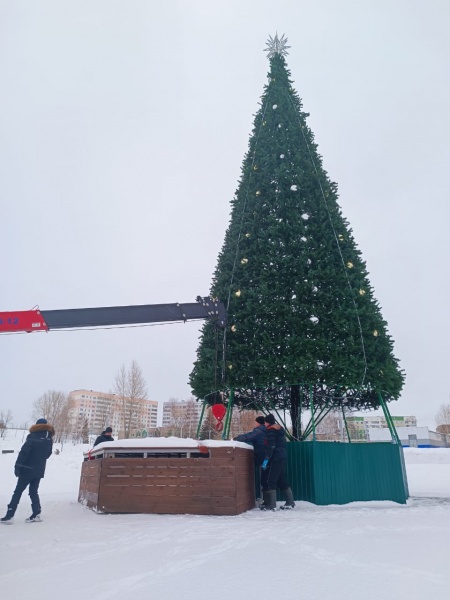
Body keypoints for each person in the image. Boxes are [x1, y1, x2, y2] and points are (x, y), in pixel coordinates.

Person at [1, 418, 55, 524]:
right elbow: (47, 455)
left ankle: (9, 515)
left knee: (17, 492)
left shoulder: (32, 436)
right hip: (39, 470)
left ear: (36, 426)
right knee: (33, 492)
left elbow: (24, 452)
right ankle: (36, 514)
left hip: (27, 469)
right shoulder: (49, 439)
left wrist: (18, 466)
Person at [260, 414, 295, 511]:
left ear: (268, 422)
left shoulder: (271, 431)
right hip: (282, 456)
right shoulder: (279, 431)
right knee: (281, 479)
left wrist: (266, 459)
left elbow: (271, 446)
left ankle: (271, 505)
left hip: (275, 458)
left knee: (270, 480)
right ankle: (290, 502)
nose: (265, 424)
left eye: (265, 422)